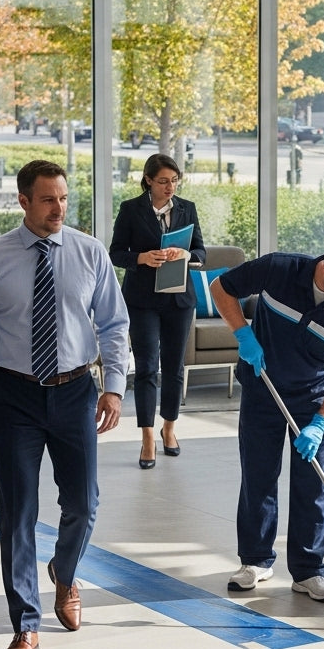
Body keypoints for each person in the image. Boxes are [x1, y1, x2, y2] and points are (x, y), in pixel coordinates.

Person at [0, 160, 130, 649]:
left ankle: (65, 572)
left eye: (63, 198)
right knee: (18, 515)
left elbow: (114, 326)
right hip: (15, 396)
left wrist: (114, 388)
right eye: (48, 199)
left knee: (84, 503)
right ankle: (25, 625)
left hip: (77, 390)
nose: (59, 208)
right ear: (24, 201)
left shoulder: (89, 252)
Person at [209, 240, 324, 602]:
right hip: (262, 386)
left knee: (312, 486)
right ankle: (255, 561)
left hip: (314, 400)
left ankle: (309, 571)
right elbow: (220, 287)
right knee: (258, 475)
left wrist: (320, 423)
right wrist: (242, 332)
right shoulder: (279, 269)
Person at [109, 153, 206, 469]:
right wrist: (141, 258)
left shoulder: (186, 208)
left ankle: (169, 428)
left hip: (179, 300)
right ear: (148, 180)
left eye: (175, 181)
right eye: (164, 181)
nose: (170, 187)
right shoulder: (130, 209)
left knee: (174, 367)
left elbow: (201, 250)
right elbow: (116, 254)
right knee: (148, 367)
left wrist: (186, 253)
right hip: (142, 301)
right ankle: (147, 436)